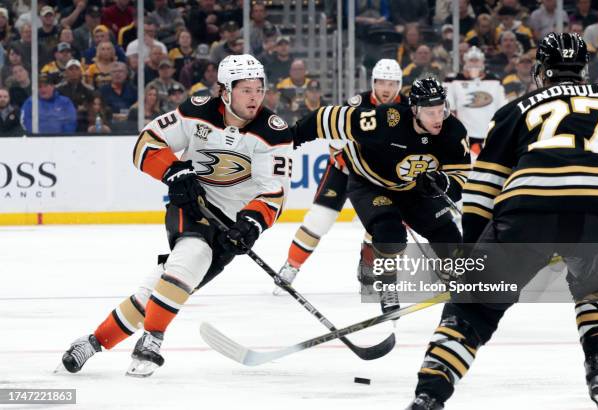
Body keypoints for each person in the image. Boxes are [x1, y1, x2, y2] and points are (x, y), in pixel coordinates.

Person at [406, 32, 598, 410]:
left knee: (471, 308)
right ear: (584, 70)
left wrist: (473, 257)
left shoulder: (517, 108)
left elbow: (481, 194)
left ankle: (429, 396)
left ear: (542, 71)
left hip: (528, 212)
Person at [60, 54, 293, 377]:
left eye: (259, 89)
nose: (255, 97)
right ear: (225, 91)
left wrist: (251, 225)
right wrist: (173, 171)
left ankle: (92, 342)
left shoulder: (273, 132)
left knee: (156, 291)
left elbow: (274, 193)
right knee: (191, 256)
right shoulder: (198, 111)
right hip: (192, 207)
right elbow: (146, 144)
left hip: (231, 228)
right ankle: (152, 340)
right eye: (246, 90)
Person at [289, 77, 471, 321]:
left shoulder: (453, 131)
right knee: (390, 233)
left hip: (411, 189)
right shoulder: (387, 119)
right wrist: (290, 138)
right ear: (415, 109)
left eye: (442, 110)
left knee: (447, 233)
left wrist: (443, 184)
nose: (438, 118)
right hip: (369, 184)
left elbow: (460, 175)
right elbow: (329, 118)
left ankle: (457, 279)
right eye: (430, 112)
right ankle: (387, 288)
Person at [274, 58, 412, 297]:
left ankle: (368, 268)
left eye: (391, 83)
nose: (386, 88)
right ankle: (291, 266)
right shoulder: (356, 105)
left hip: (379, 178)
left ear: (399, 84)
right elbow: (335, 144)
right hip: (344, 170)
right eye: (381, 82)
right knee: (318, 220)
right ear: (373, 83)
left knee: (381, 223)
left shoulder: (409, 109)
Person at [444, 46, 506, 155]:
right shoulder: (452, 80)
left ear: (483, 62)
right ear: (465, 62)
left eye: (476, 60)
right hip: (464, 137)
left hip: (489, 137)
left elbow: (503, 110)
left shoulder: (495, 81)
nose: (474, 63)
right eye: (471, 60)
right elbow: (449, 110)